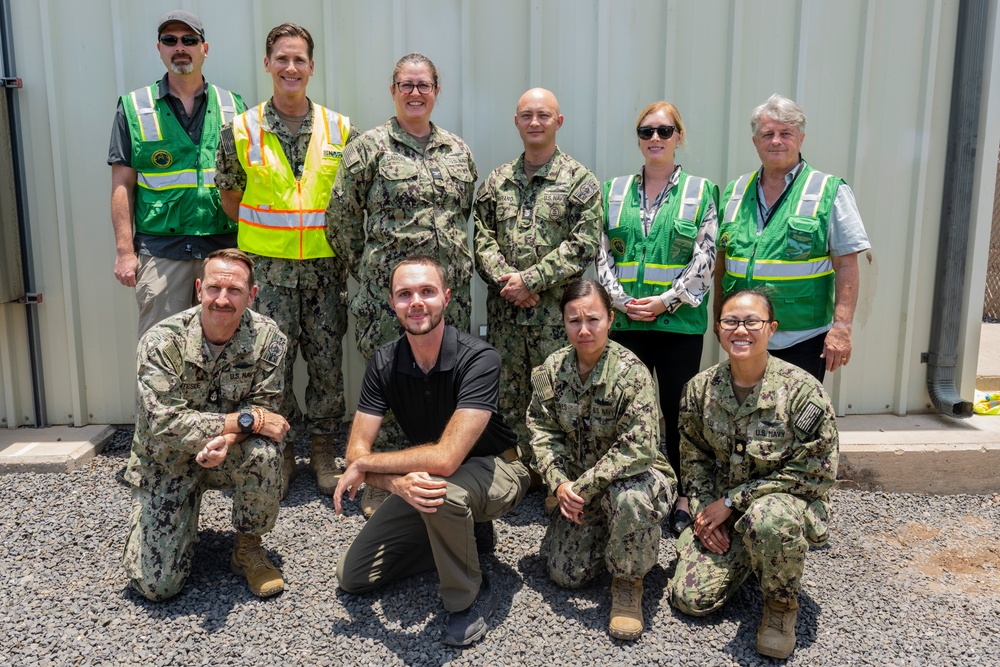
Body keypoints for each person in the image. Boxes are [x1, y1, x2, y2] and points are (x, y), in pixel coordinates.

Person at [333, 256, 531, 647]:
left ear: (446, 297)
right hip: (428, 476)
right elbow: (356, 447)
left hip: (497, 467)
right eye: (405, 294)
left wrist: (369, 468)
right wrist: (397, 484)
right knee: (353, 576)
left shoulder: (479, 358)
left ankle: (468, 599)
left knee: (441, 494)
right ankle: (467, 541)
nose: (416, 302)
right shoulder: (384, 362)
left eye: (427, 291)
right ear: (393, 303)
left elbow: (444, 459)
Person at [326, 52, 478, 515]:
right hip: (386, 299)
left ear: (436, 91)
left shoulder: (458, 150)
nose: (415, 93)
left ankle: (438, 465)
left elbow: (463, 213)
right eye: (406, 85)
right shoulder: (369, 148)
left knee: (444, 379)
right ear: (393, 91)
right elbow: (341, 218)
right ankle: (381, 478)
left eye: (424, 85)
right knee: (392, 381)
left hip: (445, 299)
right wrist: (372, 275)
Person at [215, 23, 356, 499]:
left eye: (299, 60)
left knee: (326, 365)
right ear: (268, 64)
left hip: (323, 271)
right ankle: (282, 448)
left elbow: (347, 200)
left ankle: (321, 449)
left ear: (311, 68)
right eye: (282, 58)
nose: (290, 67)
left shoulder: (341, 128)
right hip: (268, 275)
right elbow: (231, 198)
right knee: (271, 365)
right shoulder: (240, 129)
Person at [669, 288, 839, 660]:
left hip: (782, 505)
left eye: (752, 322)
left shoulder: (801, 391)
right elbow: (692, 457)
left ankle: (780, 606)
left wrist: (733, 501)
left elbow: (815, 472)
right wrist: (704, 513)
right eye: (731, 321)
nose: (740, 330)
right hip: (723, 507)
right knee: (689, 599)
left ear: (771, 328)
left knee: (768, 519)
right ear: (718, 328)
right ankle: (752, 552)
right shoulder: (700, 389)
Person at [122, 249, 291, 601]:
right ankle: (169, 518)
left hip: (227, 452)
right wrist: (240, 421)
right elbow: (164, 421)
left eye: (235, 291)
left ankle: (247, 546)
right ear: (199, 289)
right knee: (158, 587)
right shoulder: (161, 341)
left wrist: (228, 439)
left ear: (252, 295)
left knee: (265, 451)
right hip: (168, 459)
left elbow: (266, 412)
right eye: (214, 288)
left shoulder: (269, 340)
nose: (223, 299)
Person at [526, 279, 677, 641]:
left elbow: (638, 447)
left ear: (610, 319)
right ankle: (610, 534)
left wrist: (582, 487)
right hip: (580, 484)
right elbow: (541, 430)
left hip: (637, 478)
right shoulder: (553, 370)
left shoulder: (631, 372)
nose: (583, 329)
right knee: (566, 575)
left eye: (593, 319)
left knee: (628, 500)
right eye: (573, 321)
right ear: (563, 323)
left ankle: (628, 583)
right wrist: (559, 482)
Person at [596, 101, 719, 535]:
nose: (655, 139)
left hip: (677, 324)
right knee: (625, 406)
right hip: (627, 321)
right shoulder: (612, 191)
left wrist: (666, 301)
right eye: (646, 131)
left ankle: (685, 493)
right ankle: (626, 487)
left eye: (665, 131)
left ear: (679, 137)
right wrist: (621, 300)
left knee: (677, 408)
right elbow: (602, 254)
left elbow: (706, 256)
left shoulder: (701, 191)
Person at [474, 87, 602, 455]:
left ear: (558, 122)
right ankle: (515, 469)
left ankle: (555, 473)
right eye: (526, 115)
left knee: (558, 394)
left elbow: (582, 246)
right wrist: (509, 283)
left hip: (554, 319)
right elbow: (482, 239)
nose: (535, 122)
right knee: (507, 394)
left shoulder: (580, 181)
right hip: (506, 316)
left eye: (543, 115)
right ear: (516, 122)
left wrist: (529, 281)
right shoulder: (497, 182)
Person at [715, 93, 870, 381]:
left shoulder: (828, 191)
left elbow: (847, 265)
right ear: (755, 142)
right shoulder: (736, 190)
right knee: (746, 415)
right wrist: (718, 319)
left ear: (800, 138)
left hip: (802, 338)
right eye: (767, 134)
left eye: (785, 133)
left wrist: (842, 328)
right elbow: (722, 263)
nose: (776, 141)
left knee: (794, 420)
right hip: (745, 335)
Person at [109, 10, 245, 336]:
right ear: (159, 48)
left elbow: (247, 183)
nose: (180, 47)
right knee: (162, 353)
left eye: (189, 40)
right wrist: (125, 253)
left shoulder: (233, 105)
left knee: (224, 350)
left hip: (221, 249)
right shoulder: (134, 107)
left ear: (204, 48)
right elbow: (122, 184)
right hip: (161, 252)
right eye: (170, 40)